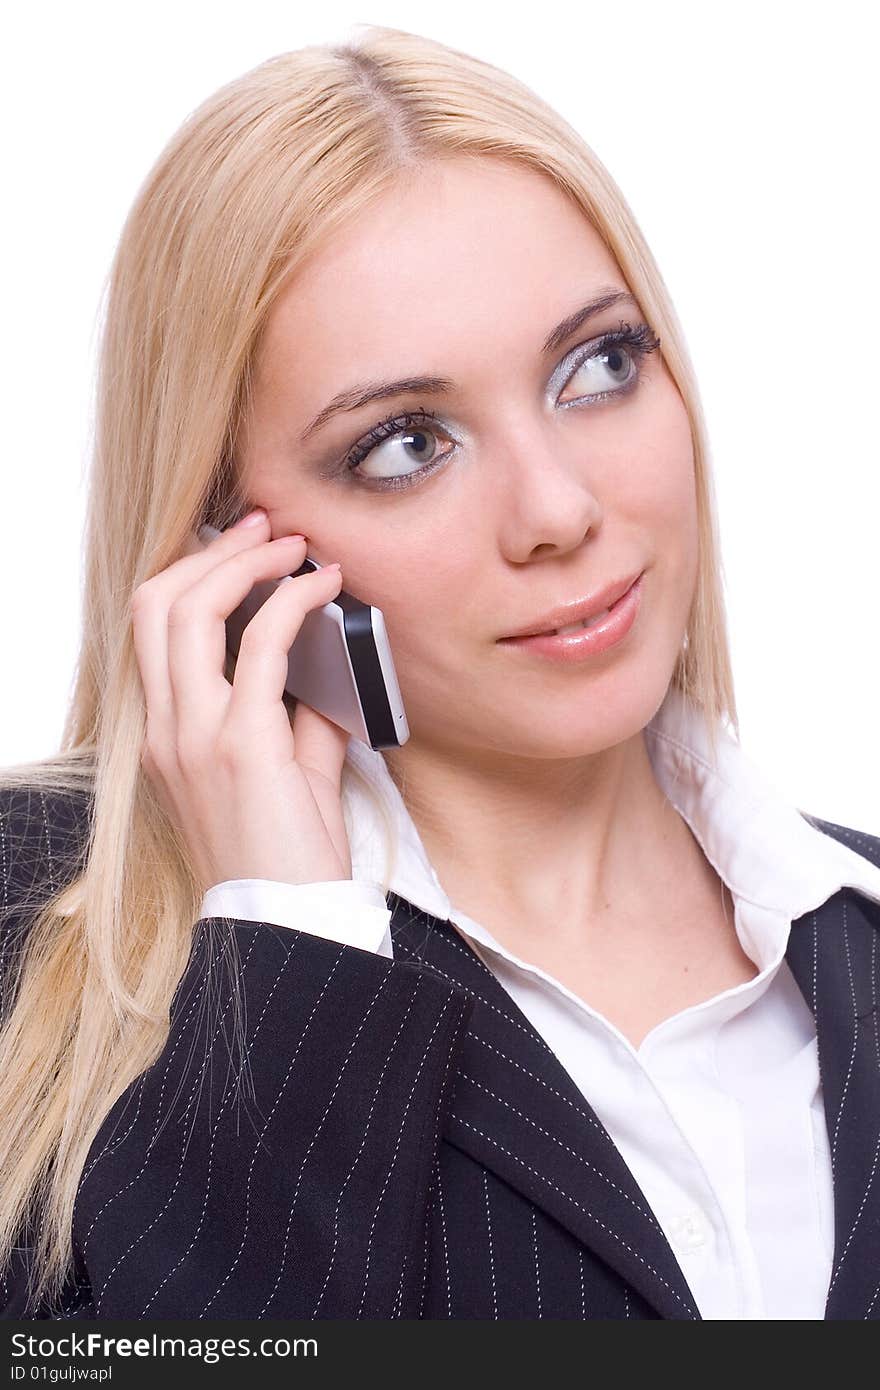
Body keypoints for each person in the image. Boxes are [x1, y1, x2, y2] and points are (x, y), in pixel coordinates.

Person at [1, 23, 878, 1323]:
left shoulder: (855, 927)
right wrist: (284, 940)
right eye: (408, 443)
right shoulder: (33, 941)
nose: (561, 508)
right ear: (224, 546)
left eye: (599, 366)